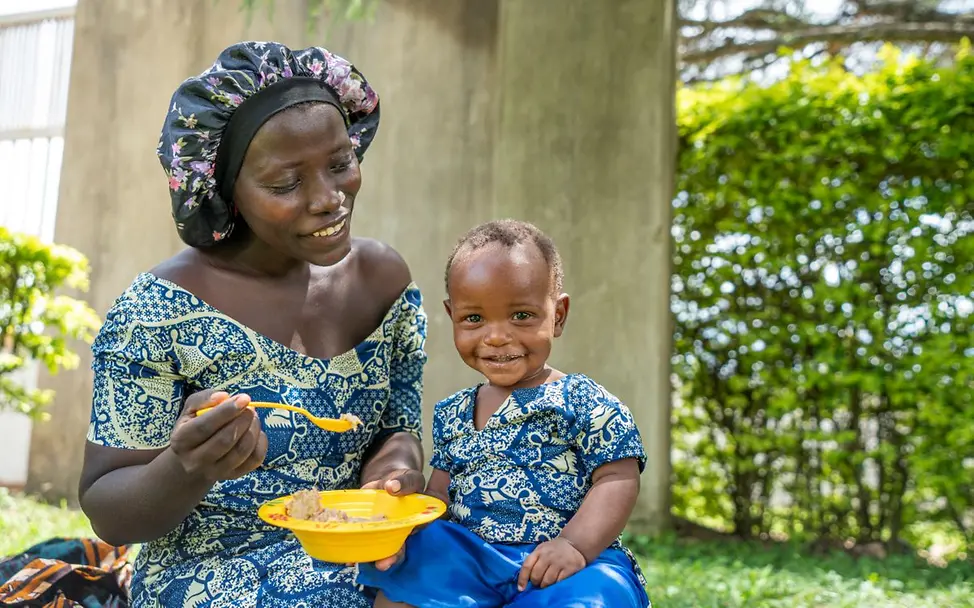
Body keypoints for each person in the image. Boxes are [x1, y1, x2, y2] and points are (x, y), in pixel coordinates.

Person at [77, 41, 428, 608]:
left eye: (340, 163)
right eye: (286, 184)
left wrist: (394, 468)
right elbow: (108, 511)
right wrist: (187, 465)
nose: (329, 199)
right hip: (217, 572)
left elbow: (397, 426)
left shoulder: (382, 280)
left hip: (362, 552)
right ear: (224, 189)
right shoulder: (156, 313)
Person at [357, 220, 651, 607]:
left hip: (557, 562)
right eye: (474, 319)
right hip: (471, 559)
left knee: (597, 594)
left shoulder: (583, 399)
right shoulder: (453, 412)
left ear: (558, 315)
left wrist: (574, 545)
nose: (496, 336)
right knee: (415, 559)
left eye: (522, 316)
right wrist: (412, 505)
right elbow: (441, 496)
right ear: (452, 316)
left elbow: (617, 477)